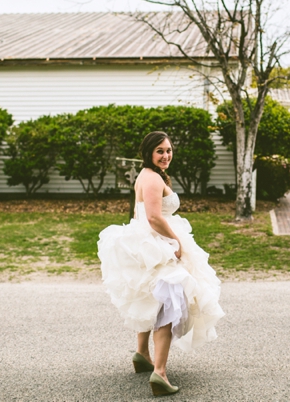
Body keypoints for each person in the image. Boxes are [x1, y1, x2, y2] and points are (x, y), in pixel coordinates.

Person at [97, 131, 224, 397]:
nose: (166, 155)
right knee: (169, 300)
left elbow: (137, 213)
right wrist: (176, 241)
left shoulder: (145, 175)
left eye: (168, 150)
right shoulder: (153, 178)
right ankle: (161, 373)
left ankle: (142, 354)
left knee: (148, 297)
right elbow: (154, 217)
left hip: (145, 242)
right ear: (148, 153)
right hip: (157, 243)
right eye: (160, 151)